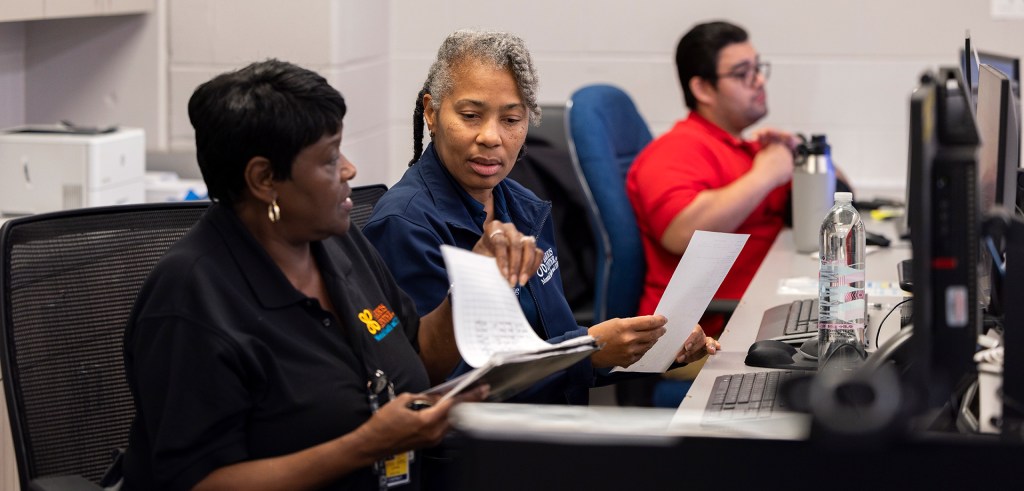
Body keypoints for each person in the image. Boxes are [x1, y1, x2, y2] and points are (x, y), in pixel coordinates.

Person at [121, 59, 539, 491]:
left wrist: (475, 282)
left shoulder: (335, 242)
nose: (349, 170)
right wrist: (367, 444)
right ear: (265, 179)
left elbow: (415, 358)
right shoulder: (190, 302)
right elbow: (196, 483)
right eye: (328, 159)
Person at [363, 29, 719, 406]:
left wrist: (644, 345)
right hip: (483, 448)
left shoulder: (521, 206)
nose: (491, 136)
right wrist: (588, 350)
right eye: (470, 116)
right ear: (432, 114)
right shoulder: (405, 225)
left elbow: (549, 340)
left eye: (511, 119)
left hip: (552, 426)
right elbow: (438, 385)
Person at [627, 21, 801, 338]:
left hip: (758, 313)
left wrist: (804, 155)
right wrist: (766, 174)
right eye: (742, 73)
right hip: (702, 335)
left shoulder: (746, 149)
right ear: (703, 89)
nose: (759, 80)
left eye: (758, 68)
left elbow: (838, 199)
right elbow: (681, 233)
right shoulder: (676, 150)